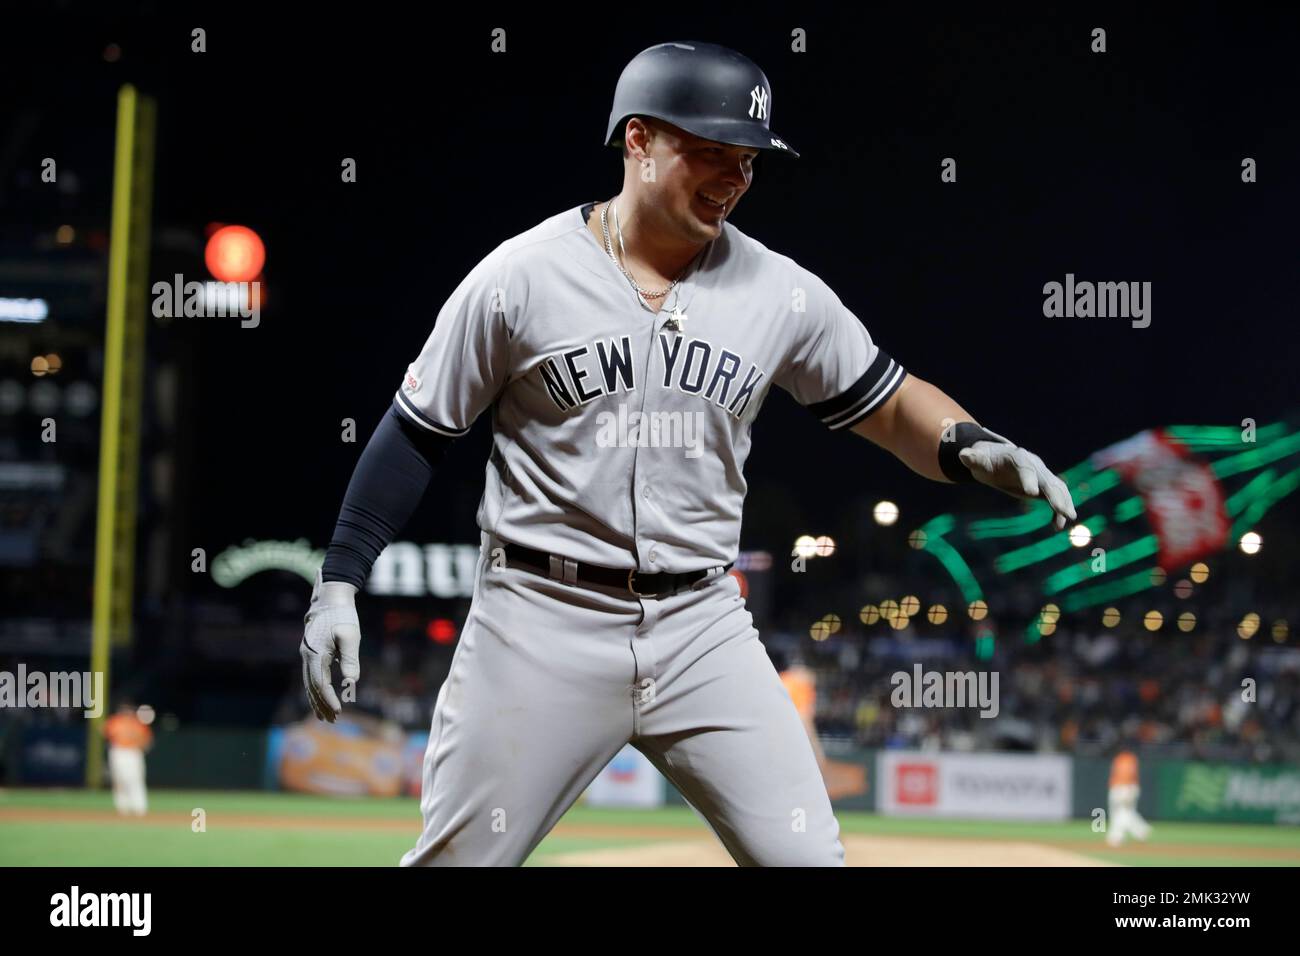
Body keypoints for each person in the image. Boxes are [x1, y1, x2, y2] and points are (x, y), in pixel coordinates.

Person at [300, 40, 1076, 867]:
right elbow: (415, 433)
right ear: (638, 140)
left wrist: (969, 443)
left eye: (747, 160)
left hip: (703, 626)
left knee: (810, 862)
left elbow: (888, 404)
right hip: (537, 621)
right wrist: (341, 579)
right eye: (709, 152)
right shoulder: (518, 278)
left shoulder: (783, 292)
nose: (734, 178)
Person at [104, 702, 152, 817]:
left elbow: (147, 740)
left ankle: (138, 808)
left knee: (134, 780)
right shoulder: (117, 721)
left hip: (130, 752)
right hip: (121, 752)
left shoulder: (135, 723)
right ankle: (125, 808)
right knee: (120, 781)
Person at [1106, 748, 1152, 846]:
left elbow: (1127, 774)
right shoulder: (1131, 758)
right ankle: (1141, 830)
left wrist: (1127, 789)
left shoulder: (1121, 759)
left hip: (1123, 788)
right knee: (1126, 812)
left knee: (1120, 813)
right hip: (1129, 787)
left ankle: (1117, 837)